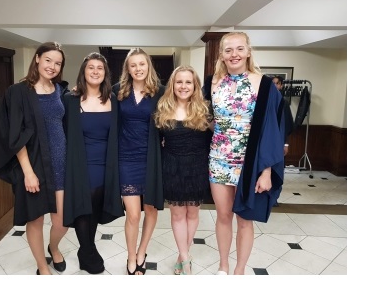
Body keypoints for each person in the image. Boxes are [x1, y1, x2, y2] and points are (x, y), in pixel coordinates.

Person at [203, 32, 285, 275]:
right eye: (228, 50)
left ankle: (239, 270)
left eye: (239, 49)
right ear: (221, 55)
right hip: (219, 159)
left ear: (248, 51)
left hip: (250, 163)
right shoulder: (212, 83)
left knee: (244, 218)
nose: (234, 54)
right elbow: (207, 118)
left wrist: (267, 170)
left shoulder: (265, 84)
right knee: (223, 215)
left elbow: (273, 129)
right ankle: (223, 266)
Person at [0, 42, 69, 275]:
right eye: (48, 60)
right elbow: (15, 135)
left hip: (61, 163)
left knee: (62, 221)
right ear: (37, 59)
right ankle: (41, 266)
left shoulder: (60, 90)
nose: (52, 66)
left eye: (58, 63)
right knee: (35, 220)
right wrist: (28, 172)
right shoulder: (18, 92)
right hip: (34, 163)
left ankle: (53, 247)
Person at [62, 52, 125, 274]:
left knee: (96, 205)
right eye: (91, 67)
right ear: (84, 71)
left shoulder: (114, 100)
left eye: (100, 68)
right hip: (79, 163)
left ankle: (85, 250)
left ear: (105, 74)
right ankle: (88, 250)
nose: (95, 71)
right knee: (83, 205)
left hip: (105, 164)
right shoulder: (70, 100)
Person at [154, 65, 212, 275]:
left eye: (188, 82)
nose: (183, 86)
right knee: (178, 215)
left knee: (193, 213)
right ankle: (186, 259)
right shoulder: (162, 108)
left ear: (195, 85)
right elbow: (156, 141)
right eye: (179, 81)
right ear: (173, 84)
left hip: (197, 166)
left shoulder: (205, 109)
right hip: (172, 166)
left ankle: (182, 254)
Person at [112, 48, 165, 275]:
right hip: (126, 158)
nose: (138, 69)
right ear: (128, 68)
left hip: (152, 158)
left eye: (141, 64)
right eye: (133, 65)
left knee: (150, 209)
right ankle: (131, 255)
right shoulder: (117, 91)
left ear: (148, 66)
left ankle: (142, 251)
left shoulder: (161, 92)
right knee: (133, 214)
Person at [272, 76, 294, 156]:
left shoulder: (284, 103)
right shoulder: (265, 102)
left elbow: (287, 124)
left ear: (281, 86)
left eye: (277, 83)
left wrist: (286, 144)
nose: (275, 86)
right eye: (273, 83)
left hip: (280, 138)